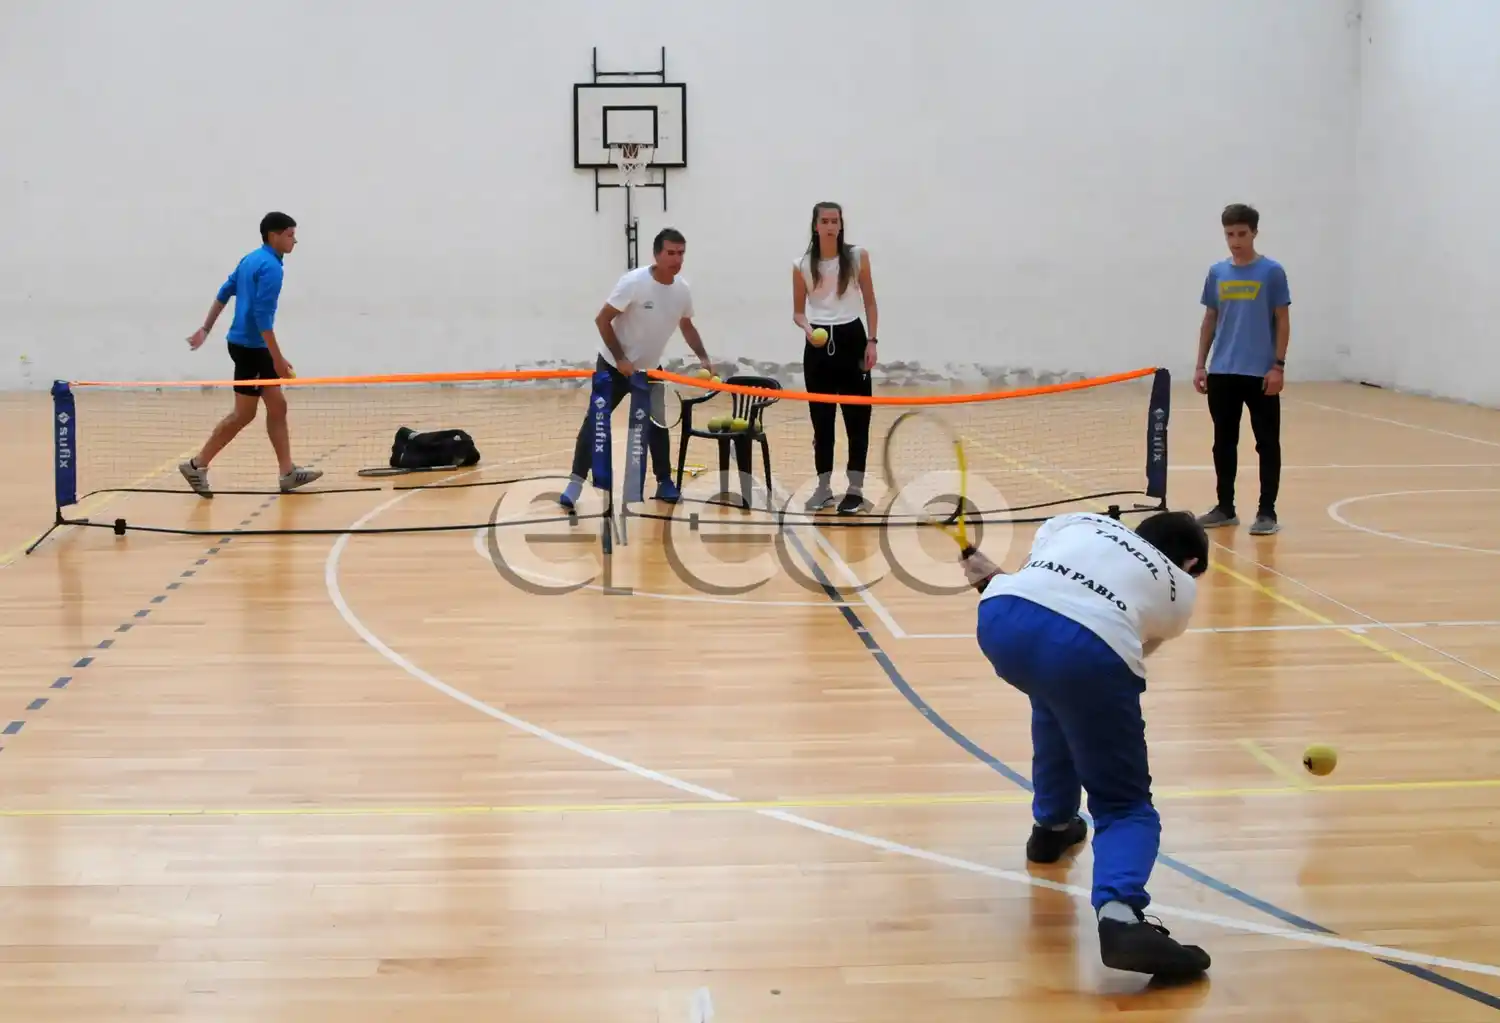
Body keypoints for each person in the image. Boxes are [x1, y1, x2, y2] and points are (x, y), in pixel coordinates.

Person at [961, 509, 1213, 980]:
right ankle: (1121, 918)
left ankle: (1053, 827)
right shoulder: (1180, 587)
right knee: (1124, 804)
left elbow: (1042, 584)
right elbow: (1124, 646)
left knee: (1056, 696)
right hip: (1087, 650)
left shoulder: (1082, 523)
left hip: (1001, 617)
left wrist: (991, 580)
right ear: (1192, 563)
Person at [560, 228, 712, 508]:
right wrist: (620, 359)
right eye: (670, 253)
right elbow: (602, 320)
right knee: (596, 422)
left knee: (658, 426)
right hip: (613, 365)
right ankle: (575, 483)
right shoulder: (633, 282)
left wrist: (703, 356)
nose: (677, 259)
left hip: (650, 371)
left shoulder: (682, 291)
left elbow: (687, 325)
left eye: (681, 253)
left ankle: (664, 482)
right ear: (656, 255)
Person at [178, 212, 322, 497]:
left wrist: (206, 329)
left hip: (251, 347)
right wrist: (277, 359)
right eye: (290, 235)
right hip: (250, 349)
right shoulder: (272, 268)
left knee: (277, 407)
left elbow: (224, 292)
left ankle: (287, 473)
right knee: (244, 414)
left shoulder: (250, 260)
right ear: (273, 235)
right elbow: (262, 318)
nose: (294, 241)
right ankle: (197, 465)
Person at [1194, 203, 1290, 536]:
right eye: (1229, 234)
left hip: (1261, 374)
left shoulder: (1272, 272)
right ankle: (1225, 508)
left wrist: (1278, 366)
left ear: (1254, 233)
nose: (1235, 241)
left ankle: (1267, 512)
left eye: (1241, 234)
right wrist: (1201, 365)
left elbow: (1282, 320)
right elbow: (1210, 319)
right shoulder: (1217, 272)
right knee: (1223, 443)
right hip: (1222, 372)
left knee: (1267, 443)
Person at [791, 201, 879, 514]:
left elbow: (870, 301)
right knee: (822, 422)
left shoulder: (857, 257)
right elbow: (798, 312)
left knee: (857, 420)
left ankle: (855, 490)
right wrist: (807, 329)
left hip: (852, 338)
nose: (831, 226)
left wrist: (871, 341)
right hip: (818, 347)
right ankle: (824, 488)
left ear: (841, 225)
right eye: (825, 221)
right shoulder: (801, 265)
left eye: (835, 221)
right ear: (816, 226)